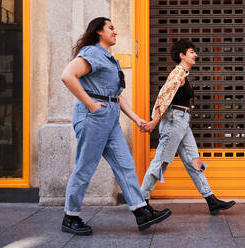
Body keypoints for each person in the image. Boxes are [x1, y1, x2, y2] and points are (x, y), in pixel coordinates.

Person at [60, 17, 171, 235]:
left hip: (109, 117)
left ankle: (141, 212)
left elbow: (117, 96)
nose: (115, 32)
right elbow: (67, 76)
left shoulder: (110, 59)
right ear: (98, 31)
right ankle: (70, 216)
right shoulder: (92, 52)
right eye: (111, 28)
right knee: (85, 166)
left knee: (125, 164)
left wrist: (136, 118)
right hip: (94, 116)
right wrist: (91, 105)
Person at [141, 39, 236, 215]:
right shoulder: (177, 74)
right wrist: (154, 121)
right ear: (182, 55)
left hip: (182, 122)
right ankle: (142, 202)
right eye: (192, 52)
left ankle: (211, 200)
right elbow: (163, 98)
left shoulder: (183, 74)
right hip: (174, 121)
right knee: (161, 161)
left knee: (194, 161)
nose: (195, 55)